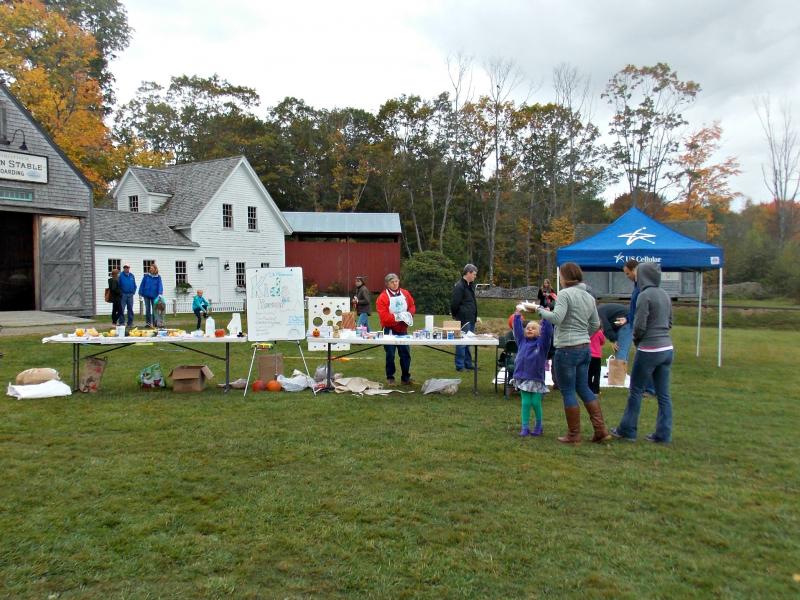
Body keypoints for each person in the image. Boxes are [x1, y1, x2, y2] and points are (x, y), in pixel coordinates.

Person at [537, 262, 611, 444]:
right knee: (584, 387)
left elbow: (557, 318)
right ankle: (600, 430)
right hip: (585, 348)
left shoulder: (564, 294)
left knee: (568, 390)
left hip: (567, 349)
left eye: (561, 276)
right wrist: (584, 335)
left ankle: (573, 434)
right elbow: (595, 324)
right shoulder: (588, 296)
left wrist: (539, 311)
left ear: (566, 277)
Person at [611, 263, 674, 443]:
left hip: (649, 348)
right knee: (663, 394)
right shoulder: (664, 294)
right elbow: (669, 322)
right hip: (667, 348)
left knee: (636, 390)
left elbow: (639, 325)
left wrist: (638, 340)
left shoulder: (644, 296)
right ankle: (663, 434)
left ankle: (628, 429)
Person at [512, 308, 553, 437]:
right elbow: (517, 331)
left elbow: (547, 334)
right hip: (523, 377)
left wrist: (545, 319)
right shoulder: (522, 342)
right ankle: (524, 427)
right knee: (525, 402)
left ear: (539, 333)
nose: (529, 329)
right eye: (528, 327)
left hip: (536, 378)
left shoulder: (541, 344)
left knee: (535, 402)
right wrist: (517, 316)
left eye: (533, 328)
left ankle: (539, 426)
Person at [376, 272, 416, 385]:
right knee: (390, 354)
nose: (395, 284)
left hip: (403, 329)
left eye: (396, 281)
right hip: (389, 330)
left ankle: (405, 377)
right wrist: (399, 317)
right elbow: (384, 318)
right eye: (392, 282)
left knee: (405, 354)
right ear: (387, 284)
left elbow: (412, 305)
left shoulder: (405, 293)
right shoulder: (382, 298)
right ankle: (390, 377)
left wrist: (409, 314)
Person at [450, 263, 479, 371]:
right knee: (461, 342)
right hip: (463, 319)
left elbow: (471, 302)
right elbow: (455, 303)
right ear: (468, 273)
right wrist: (456, 315)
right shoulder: (459, 286)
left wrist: (475, 316)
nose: (475, 276)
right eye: (474, 274)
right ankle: (460, 366)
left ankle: (468, 364)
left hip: (471, 318)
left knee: (468, 342)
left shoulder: (470, 285)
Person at [139, 263, 164, 328]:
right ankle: (148, 323)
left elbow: (160, 285)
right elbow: (142, 284)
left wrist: (160, 293)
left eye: (152, 269)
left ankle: (155, 323)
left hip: (154, 296)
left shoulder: (158, 277)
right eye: (150, 268)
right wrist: (140, 293)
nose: (151, 269)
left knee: (154, 310)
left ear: (155, 269)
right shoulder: (146, 276)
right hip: (146, 295)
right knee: (147, 309)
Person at [588, 327, 605, 394]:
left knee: (589, 373)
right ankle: (596, 389)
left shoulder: (588, 331)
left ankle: (589, 387)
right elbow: (603, 342)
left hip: (589, 355)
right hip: (597, 356)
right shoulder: (599, 332)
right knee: (596, 373)